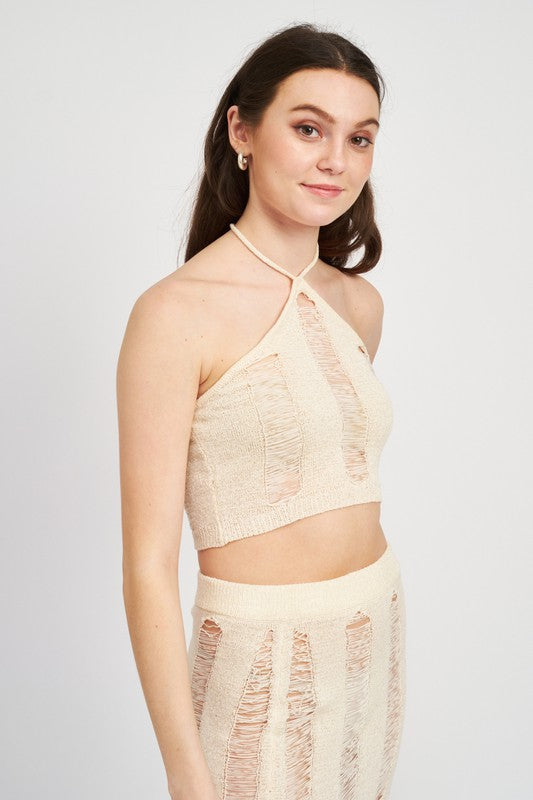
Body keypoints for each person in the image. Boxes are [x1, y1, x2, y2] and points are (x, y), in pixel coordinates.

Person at [116, 21, 407, 800]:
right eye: (308, 128)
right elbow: (147, 567)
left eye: (359, 138)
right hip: (256, 662)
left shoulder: (358, 305)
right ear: (241, 132)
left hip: (371, 638)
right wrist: (187, 774)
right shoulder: (174, 315)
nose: (335, 160)